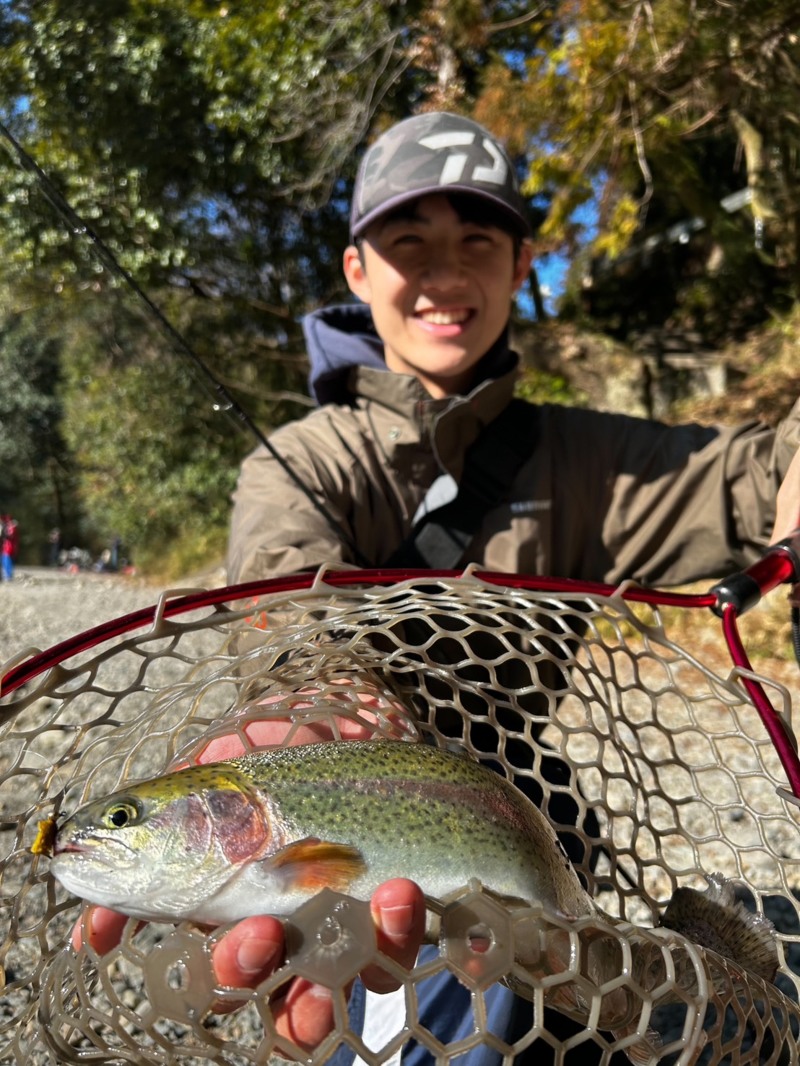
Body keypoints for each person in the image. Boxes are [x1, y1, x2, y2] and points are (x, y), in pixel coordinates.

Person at [82, 112, 800, 1061]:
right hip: (367, 840)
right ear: (357, 271)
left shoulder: (590, 459)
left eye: (477, 242)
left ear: (522, 265)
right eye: (408, 243)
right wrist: (328, 706)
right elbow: (285, 615)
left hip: (527, 825)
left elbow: (762, 469)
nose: (445, 276)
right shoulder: (300, 466)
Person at [1, 514, 19, 582]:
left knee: (8, 562)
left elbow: (10, 536)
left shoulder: (12, 527)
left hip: (9, 548)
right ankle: (6, 575)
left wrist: (4, 534)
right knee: (4, 562)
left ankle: (8, 576)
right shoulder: (8, 527)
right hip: (6, 548)